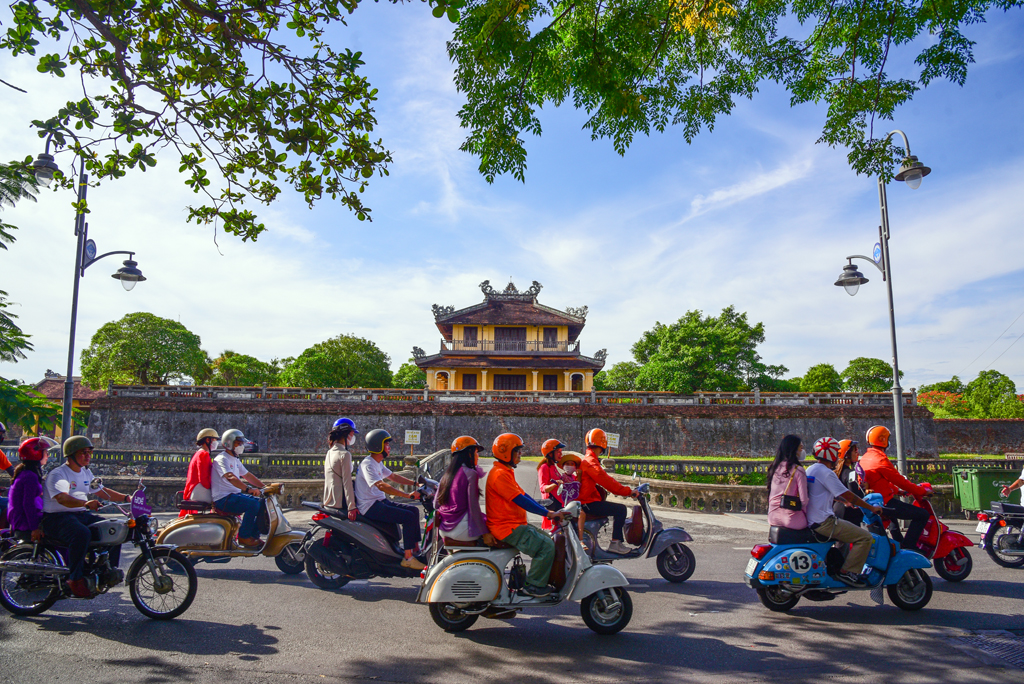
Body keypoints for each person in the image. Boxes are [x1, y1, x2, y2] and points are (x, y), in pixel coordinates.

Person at [40, 436, 134, 598]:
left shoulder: (86, 473)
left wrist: (127, 498)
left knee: (115, 529)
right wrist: (85, 504)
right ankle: (74, 579)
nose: (88, 455)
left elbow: (102, 491)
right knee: (81, 533)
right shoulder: (59, 474)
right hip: (56, 518)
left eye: (89, 452)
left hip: (79, 515)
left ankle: (107, 571)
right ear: (70, 454)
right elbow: (62, 498)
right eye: (83, 452)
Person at [485, 433, 564, 597]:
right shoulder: (499, 474)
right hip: (508, 528)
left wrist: (547, 511)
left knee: (550, 540)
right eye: (518, 451)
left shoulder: (504, 471)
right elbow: (521, 501)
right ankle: (533, 585)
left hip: (514, 524)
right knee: (546, 546)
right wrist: (548, 513)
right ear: (506, 452)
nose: (520, 454)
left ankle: (541, 579)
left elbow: (525, 495)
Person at [805, 437, 883, 588]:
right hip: (824, 522)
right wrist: (871, 507)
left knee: (847, 538)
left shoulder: (812, 469)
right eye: (836, 453)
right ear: (832, 455)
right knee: (865, 538)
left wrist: (845, 502)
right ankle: (848, 573)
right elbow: (848, 494)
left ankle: (838, 569)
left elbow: (830, 493)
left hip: (813, 520)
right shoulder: (827, 473)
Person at [355, 429, 426, 571]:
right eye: (386, 444)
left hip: (379, 502)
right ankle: (408, 558)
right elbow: (382, 485)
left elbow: (393, 477)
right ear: (378, 446)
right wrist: (408, 495)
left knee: (413, 510)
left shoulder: (377, 462)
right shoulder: (368, 464)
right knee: (407, 517)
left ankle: (415, 549)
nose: (389, 448)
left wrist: (415, 484)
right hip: (370, 506)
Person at [858, 425, 930, 550]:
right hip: (884, 502)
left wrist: (899, 491)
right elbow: (901, 481)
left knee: (895, 526)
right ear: (883, 440)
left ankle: (900, 547)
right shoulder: (880, 459)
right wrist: (922, 491)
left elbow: (882, 481)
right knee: (922, 514)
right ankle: (909, 548)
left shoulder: (866, 457)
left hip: (876, 500)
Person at [577, 428, 639, 555]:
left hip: (587, 501)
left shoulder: (589, 459)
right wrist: (628, 491)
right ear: (602, 444)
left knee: (617, 509)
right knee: (621, 510)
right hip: (587, 503)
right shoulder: (591, 462)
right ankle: (615, 543)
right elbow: (607, 481)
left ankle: (616, 542)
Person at [211, 428, 267, 548]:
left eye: (242, 443)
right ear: (229, 443)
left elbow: (247, 475)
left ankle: (253, 536)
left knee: (262, 503)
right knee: (253, 505)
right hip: (223, 499)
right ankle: (244, 537)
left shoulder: (235, 459)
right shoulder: (222, 459)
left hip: (234, 496)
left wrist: (265, 486)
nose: (241, 446)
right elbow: (230, 477)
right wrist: (248, 489)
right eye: (238, 443)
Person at [434, 436, 492, 544]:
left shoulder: (446, 476)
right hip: (462, 529)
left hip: (443, 530)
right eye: (476, 452)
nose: (477, 456)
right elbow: (473, 507)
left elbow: (435, 504)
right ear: (469, 453)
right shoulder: (470, 474)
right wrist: (485, 533)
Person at [6, 437, 55, 541]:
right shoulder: (29, 476)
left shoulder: (27, 473)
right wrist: (35, 528)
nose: (48, 455)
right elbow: (28, 504)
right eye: (45, 452)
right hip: (25, 524)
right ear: (36, 453)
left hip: (26, 520)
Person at [766, 435, 809, 530]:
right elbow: (804, 501)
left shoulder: (774, 468)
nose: (802, 451)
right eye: (801, 448)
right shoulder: (798, 470)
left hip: (772, 517)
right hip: (791, 519)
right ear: (794, 450)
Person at [323, 417, 359, 521]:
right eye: (352, 434)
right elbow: (347, 482)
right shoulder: (345, 454)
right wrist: (351, 506)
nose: (353, 437)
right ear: (346, 434)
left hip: (329, 501)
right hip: (340, 502)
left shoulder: (330, 452)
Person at [179, 428, 219, 517]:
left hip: (196, 490)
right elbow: (204, 479)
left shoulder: (199, 453)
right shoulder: (203, 454)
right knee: (224, 500)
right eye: (215, 440)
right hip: (200, 490)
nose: (216, 442)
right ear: (208, 440)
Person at [537, 439, 569, 530]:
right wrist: (555, 484)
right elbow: (543, 488)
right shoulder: (544, 467)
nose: (561, 454)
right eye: (558, 452)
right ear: (550, 453)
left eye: (561, 452)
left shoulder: (553, 466)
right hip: (552, 503)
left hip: (559, 501)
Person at [832, 439, 865, 526]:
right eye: (855, 451)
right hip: (849, 514)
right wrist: (864, 490)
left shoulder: (834, 471)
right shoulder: (850, 473)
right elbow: (854, 494)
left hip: (836, 511)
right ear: (847, 455)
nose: (857, 453)